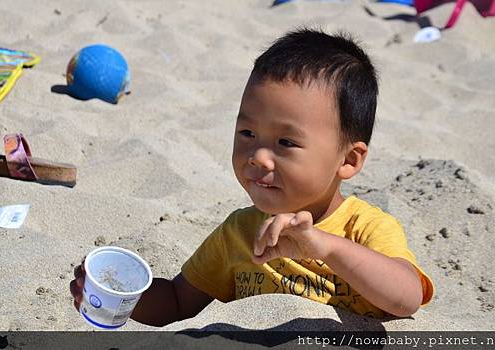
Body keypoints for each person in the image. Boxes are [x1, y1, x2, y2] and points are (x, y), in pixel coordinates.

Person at [71, 28, 434, 326]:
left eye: (286, 142)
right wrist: (123, 294)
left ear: (349, 160)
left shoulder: (365, 228)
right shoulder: (239, 232)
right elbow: (180, 302)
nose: (258, 157)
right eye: (247, 134)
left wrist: (323, 247)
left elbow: (405, 299)